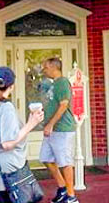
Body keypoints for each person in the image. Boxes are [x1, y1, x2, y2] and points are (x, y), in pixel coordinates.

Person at [0, 66, 45, 203]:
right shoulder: (5, 107)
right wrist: (31, 123)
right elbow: (7, 143)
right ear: (11, 86)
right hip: (1, 179)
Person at [38, 56, 78, 203]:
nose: (44, 70)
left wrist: (51, 124)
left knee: (65, 162)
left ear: (54, 67)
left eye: (46, 67)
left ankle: (71, 196)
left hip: (63, 129)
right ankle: (62, 188)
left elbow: (63, 105)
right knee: (46, 158)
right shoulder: (54, 84)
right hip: (53, 130)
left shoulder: (62, 82)